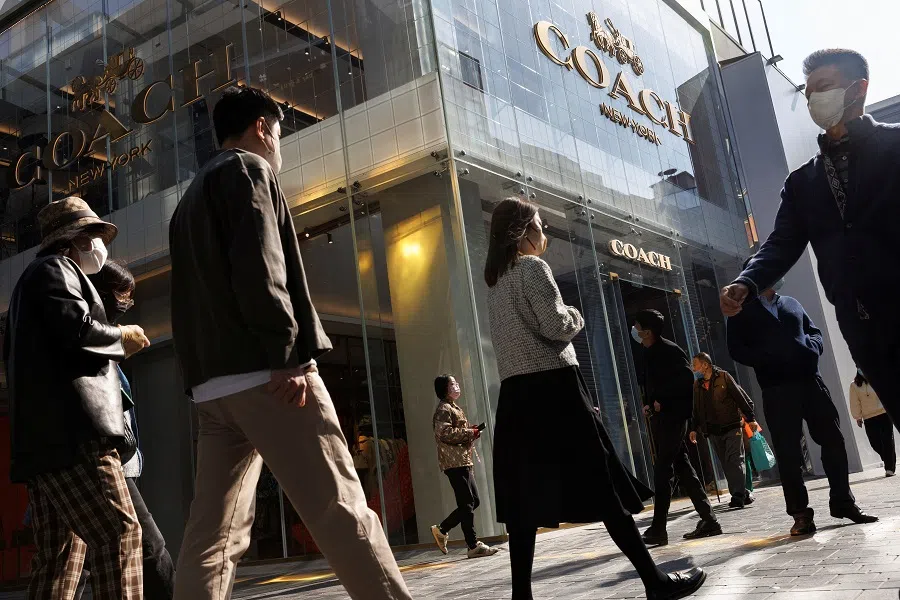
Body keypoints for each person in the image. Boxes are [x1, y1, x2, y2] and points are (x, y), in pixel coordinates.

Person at [168, 86, 411, 600]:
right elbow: (262, 266)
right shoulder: (248, 170)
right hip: (269, 375)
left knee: (212, 535)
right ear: (262, 128)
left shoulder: (187, 201)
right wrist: (288, 355)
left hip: (212, 389)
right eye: (279, 133)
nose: (279, 145)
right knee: (340, 508)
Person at [485, 198, 705, 600]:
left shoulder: (497, 282)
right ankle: (654, 582)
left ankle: (521, 597)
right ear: (523, 233)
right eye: (540, 227)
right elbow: (557, 325)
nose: (544, 235)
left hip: (516, 396)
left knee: (523, 500)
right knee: (602, 485)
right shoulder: (533, 268)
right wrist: (576, 314)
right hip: (555, 389)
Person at [719, 48, 900, 429]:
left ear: (858, 88)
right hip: (864, 329)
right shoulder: (803, 182)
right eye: (809, 92)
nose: (814, 98)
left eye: (825, 86)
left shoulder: (895, 145)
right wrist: (747, 282)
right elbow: (781, 243)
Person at [5, 196, 151, 599]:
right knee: (120, 532)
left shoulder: (29, 284)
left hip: (46, 445)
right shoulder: (55, 268)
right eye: (93, 236)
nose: (99, 246)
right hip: (77, 438)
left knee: (61, 557)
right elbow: (77, 329)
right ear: (75, 240)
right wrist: (121, 337)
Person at [726, 269, 878, 535]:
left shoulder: (791, 303)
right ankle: (800, 515)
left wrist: (812, 347)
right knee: (789, 453)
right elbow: (736, 350)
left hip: (811, 381)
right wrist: (767, 359)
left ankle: (843, 502)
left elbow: (814, 332)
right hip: (777, 388)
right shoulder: (741, 312)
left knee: (833, 440)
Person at [68, 261, 176, 600]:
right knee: (147, 545)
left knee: (72, 562)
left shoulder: (103, 343)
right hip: (102, 459)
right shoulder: (88, 341)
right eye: (122, 295)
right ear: (100, 294)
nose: (127, 303)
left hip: (106, 461)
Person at [632, 310, 720, 546]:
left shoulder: (670, 350)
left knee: (663, 469)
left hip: (674, 417)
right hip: (663, 418)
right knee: (683, 468)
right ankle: (709, 520)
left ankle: (659, 528)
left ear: (647, 332)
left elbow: (685, 381)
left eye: (637, 327)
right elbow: (653, 384)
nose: (635, 330)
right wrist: (650, 403)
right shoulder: (648, 351)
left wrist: (662, 399)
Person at [430, 375, 497, 559]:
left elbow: (455, 430)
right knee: (467, 502)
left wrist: (471, 431)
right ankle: (472, 545)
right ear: (445, 389)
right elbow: (444, 433)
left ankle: (442, 529)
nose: (457, 385)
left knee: (473, 500)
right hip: (454, 462)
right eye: (453, 384)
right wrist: (469, 432)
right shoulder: (443, 409)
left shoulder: (452, 407)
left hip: (462, 460)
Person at [689, 353, 759, 509]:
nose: (693, 367)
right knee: (727, 464)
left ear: (705, 365)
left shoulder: (724, 377)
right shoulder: (697, 385)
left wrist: (751, 418)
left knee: (735, 460)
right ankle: (744, 493)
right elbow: (696, 409)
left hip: (732, 427)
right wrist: (693, 428)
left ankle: (738, 496)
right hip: (713, 431)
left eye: (695, 364)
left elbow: (740, 398)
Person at [850, 369, 897, 477]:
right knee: (874, 443)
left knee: (887, 440)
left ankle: (889, 468)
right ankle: (888, 459)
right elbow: (855, 402)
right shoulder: (854, 385)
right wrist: (858, 417)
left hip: (884, 413)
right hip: (868, 417)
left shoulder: (878, 378)